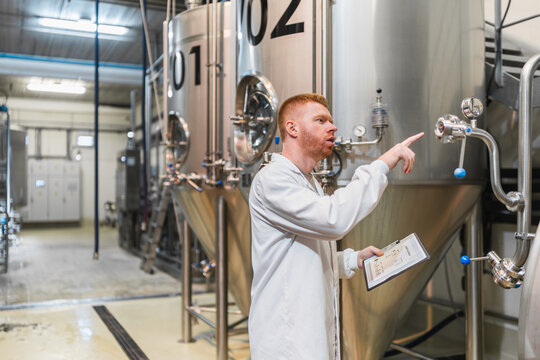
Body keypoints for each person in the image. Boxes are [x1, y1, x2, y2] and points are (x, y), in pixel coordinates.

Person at [248, 93, 424, 360]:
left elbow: (303, 256)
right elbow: (334, 220)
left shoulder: (309, 182)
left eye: (330, 121)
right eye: (321, 120)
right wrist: (381, 164)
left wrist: (352, 259)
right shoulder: (272, 179)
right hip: (286, 340)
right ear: (292, 128)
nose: (333, 127)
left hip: (308, 334)